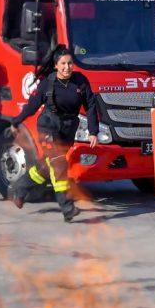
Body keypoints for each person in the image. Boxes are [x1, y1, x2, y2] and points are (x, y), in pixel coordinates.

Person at [8, 45, 98, 222]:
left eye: (70, 63)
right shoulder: (48, 83)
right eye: (63, 64)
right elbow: (32, 105)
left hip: (68, 129)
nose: (67, 67)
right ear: (56, 65)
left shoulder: (81, 81)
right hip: (49, 127)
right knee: (59, 165)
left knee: (46, 166)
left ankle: (19, 190)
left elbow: (91, 106)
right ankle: (67, 207)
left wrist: (93, 131)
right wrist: (17, 120)